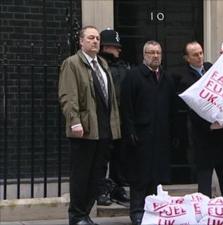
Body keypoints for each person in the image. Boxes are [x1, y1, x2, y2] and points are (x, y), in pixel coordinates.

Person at [58, 25, 121, 225]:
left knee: (97, 176)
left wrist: (115, 127)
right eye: (91, 38)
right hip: (84, 130)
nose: (95, 41)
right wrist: (74, 121)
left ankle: (85, 213)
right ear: (81, 41)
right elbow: (68, 96)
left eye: (97, 39)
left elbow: (109, 99)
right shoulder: (72, 63)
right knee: (81, 175)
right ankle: (76, 216)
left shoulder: (102, 63)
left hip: (104, 130)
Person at [120, 40, 176, 225]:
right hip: (140, 135)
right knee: (140, 177)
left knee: (156, 176)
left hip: (160, 135)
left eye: (158, 52)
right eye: (151, 52)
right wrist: (130, 131)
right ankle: (136, 211)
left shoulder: (166, 78)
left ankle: (151, 211)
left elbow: (172, 109)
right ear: (144, 55)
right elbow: (126, 107)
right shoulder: (134, 76)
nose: (155, 56)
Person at [176, 41, 223, 197]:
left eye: (201, 53)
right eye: (195, 55)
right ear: (187, 58)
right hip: (203, 137)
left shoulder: (210, 68)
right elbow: (190, 110)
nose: (200, 57)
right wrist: (209, 126)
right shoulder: (184, 79)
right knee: (204, 183)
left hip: (222, 135)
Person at [96, 28, 130, 206]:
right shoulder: (99, 65)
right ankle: (101, 190)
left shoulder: (124, 66)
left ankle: (116, 188)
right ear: (107, 47)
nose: (119, 50)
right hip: (104, 119)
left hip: (122, 119)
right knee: (102, 157)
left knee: (119, 156)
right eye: (115, 47)